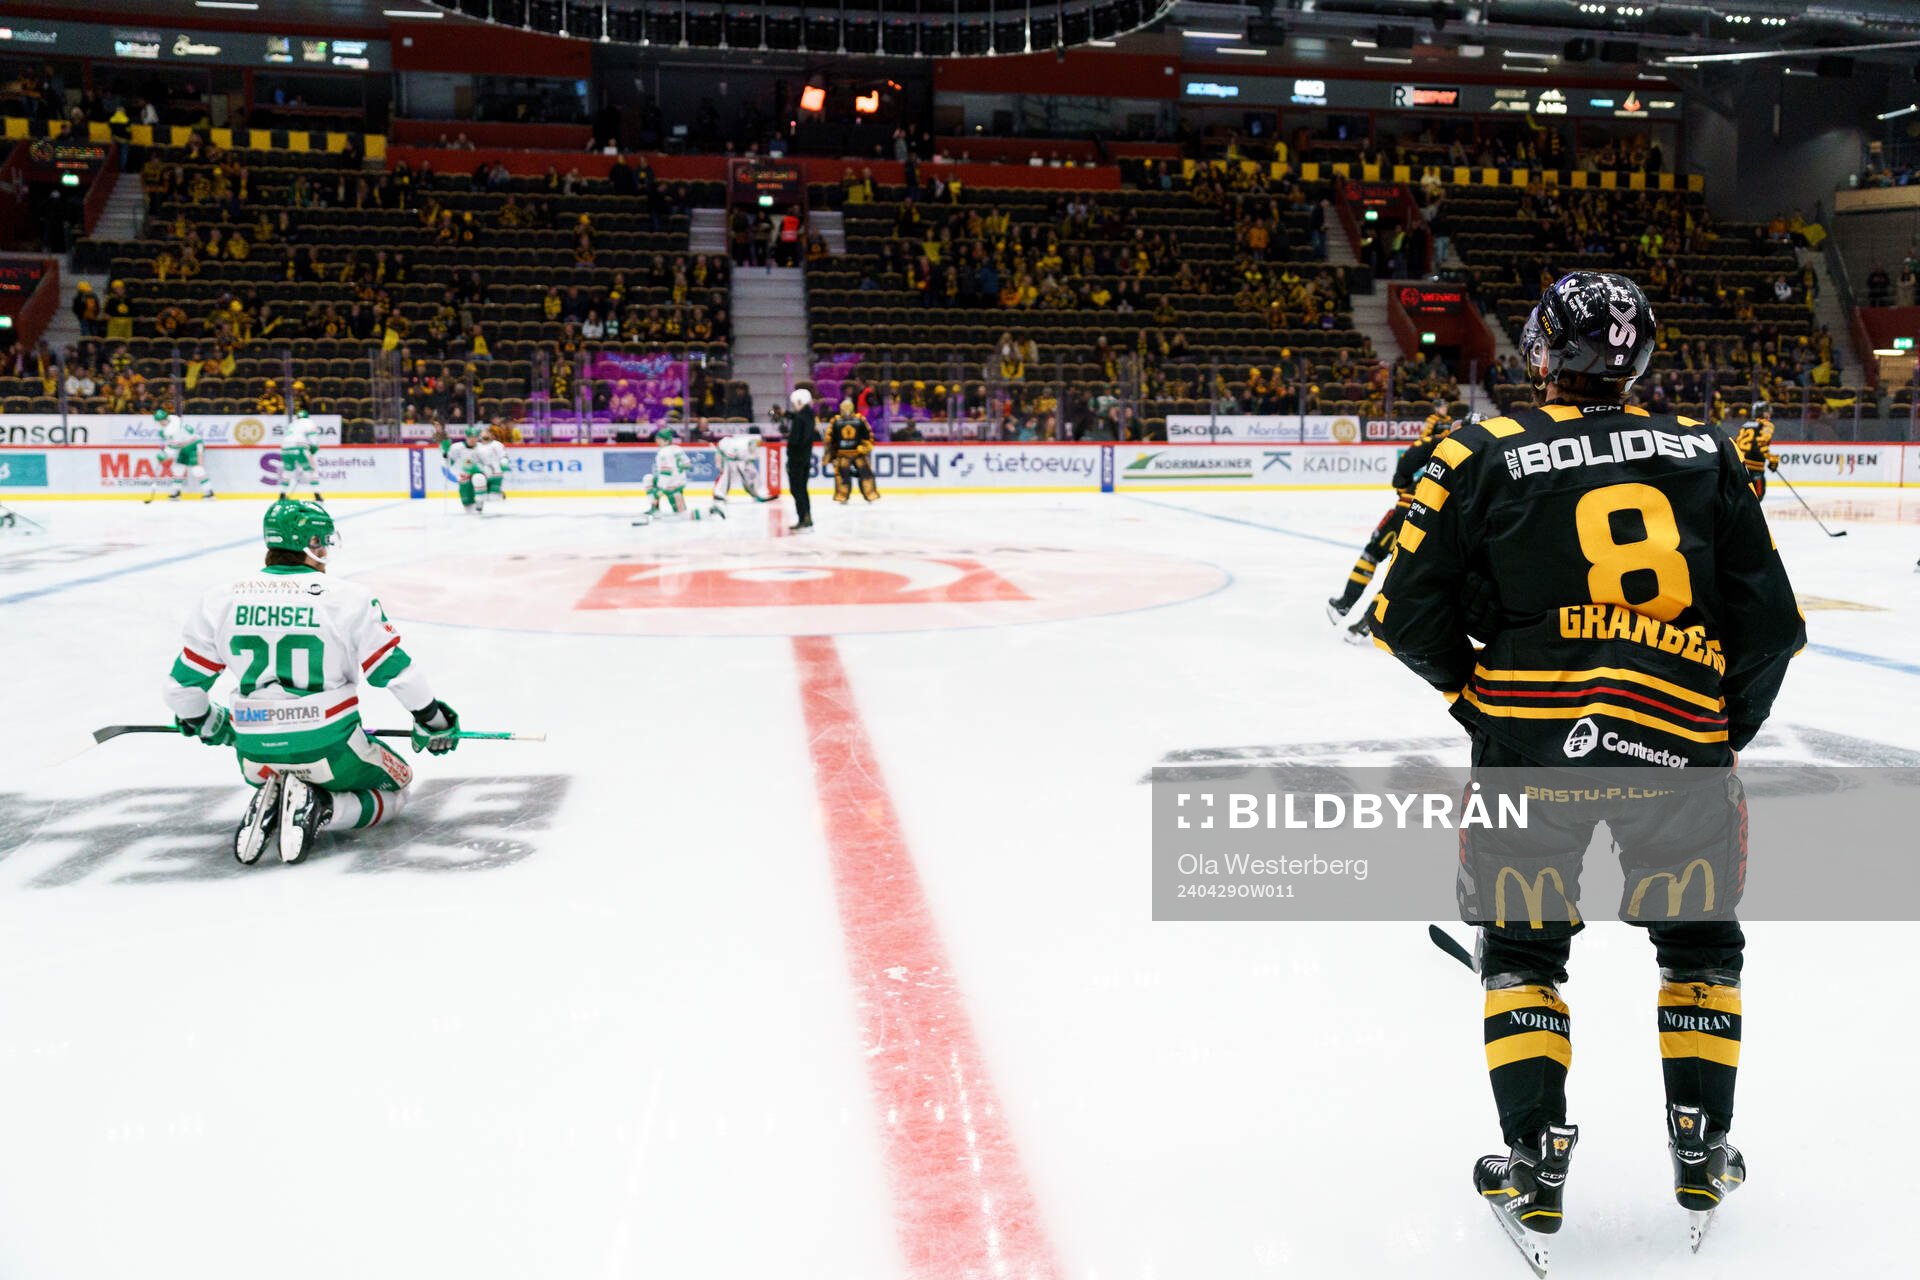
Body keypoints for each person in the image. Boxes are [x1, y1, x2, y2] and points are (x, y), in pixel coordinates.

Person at [1371, 271, 1803, 1269]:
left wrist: (1479, 700)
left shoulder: (1480, 451)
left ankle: (1534, 1158)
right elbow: (1771, 625)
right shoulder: (1705, 450)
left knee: (1522, 952)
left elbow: (1408, 612)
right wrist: (1717, 724)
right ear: (1642, 354)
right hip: (1678, 739)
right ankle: (1702, 1143)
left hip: (1530, 741)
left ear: (1537, 353)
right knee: (1698, 946)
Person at [163, 499, 461, 865]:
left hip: (256, 753)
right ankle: (324, 806)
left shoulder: (219, 599)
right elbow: (397, 673)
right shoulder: (348, 598)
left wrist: (209, 723)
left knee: (271, 759)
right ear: (313, 544)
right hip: (330, 745)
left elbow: (181, 691)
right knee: (398, 785)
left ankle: (278, 791)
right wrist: (434, 721)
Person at [1325, 401, 1452, 635]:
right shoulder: (1482, 453)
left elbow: (1410, 457)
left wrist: (1403, 485)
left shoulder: (1443, 439)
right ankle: (1367, 623)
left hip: (1408, 507)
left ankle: (1345, 605)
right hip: (1436, 522)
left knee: (1373, 553)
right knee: (1400, 570)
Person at [144, 407, 214, 502]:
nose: (161, 422)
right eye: (159, 421)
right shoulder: (173, 418)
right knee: (178, 468)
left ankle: (209, 493)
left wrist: (165, 454)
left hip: (194, 445)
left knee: (197, 469)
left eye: (162, 420)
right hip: (184, 446)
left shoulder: (170, 430)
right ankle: (176, 492)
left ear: (165, 418)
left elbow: (174, 447)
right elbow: (176, 443)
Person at [824, 398, 880, 504]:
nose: (846, 410)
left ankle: (870, 494)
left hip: (858, 453)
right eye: (844, 407)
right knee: (842, 476)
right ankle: (842, 496)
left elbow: (868, 436)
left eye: (848, 407)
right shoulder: (835, 421)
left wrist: (865, 447)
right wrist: (831, 453)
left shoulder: (860, 420)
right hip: (842, 454)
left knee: (866, 474)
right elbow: (830, 439)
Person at [709, 427, 771, 517]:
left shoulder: (743, 440)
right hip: (732, 458)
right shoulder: (752, 440)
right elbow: (750, 453)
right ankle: (719, 494)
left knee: (743, 476)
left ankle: (757, 493)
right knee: (728, 476)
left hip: (734, 457)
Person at [1729, 399, 1777, 500]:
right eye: (1767, 412)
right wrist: (1773, 460)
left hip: (1739, 467)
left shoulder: (1745, 425)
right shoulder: (1767, 424)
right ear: (1763, 413)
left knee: (1739, 499)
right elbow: (1761, 443)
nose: (1769, 414)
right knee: (1756, 498)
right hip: (1755, 469)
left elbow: (1736, 443)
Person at [785, 387, 818, 530]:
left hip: (796, 459)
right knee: (802, 489)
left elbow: (795, 440)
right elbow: (799, 418)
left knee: (796, 489)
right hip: (805, 458)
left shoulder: (800, 418)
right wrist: (787, 415)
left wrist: (789, 448)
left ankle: (802, 517)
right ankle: (807, 516)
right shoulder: (809, 416)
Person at [646, 425, 693, 519]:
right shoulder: (677, 448)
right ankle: (655, 508)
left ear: (666, 440)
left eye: (659, 439)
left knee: (682, 515)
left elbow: (666, 473)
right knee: (649, 479)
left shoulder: (663, 452)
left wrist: (661, 489)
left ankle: (707, 513)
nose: (657, 440)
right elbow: (688, 464)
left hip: (670, 486)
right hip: (679, 483)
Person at [278, 408, 323, 501]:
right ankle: (317, 495)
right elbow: (313, 439)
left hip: (285, 449)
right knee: (311, 471)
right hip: (299, 448)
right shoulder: (309, 422)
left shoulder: (292, 424)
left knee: (287, 472)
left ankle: (282, 495)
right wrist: (313, 449)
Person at [444, 423, 488, 514]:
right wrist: (445, 453)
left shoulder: (482, 448)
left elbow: (488, 464)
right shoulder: (457, 447)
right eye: (470, 437)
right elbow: (449, 462)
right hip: (464, 477)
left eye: (475, 437)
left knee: (479, 478)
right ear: (466, 437)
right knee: (469, 509)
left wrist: (480, 469)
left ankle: (480, 504)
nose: (473, 439)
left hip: (478, 474)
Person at [478, 425, 509, 506]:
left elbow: (503, 456)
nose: (485, 434)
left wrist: (504, 462)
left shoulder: (497, 445)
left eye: (488, 433)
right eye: (483, 433)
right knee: (480, 492)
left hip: (496, 473)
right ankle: (478, 504)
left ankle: (498, 492)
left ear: (491, 435)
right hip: (482, 473)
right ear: (480, 435)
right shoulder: (477, 446)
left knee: (493, 498)